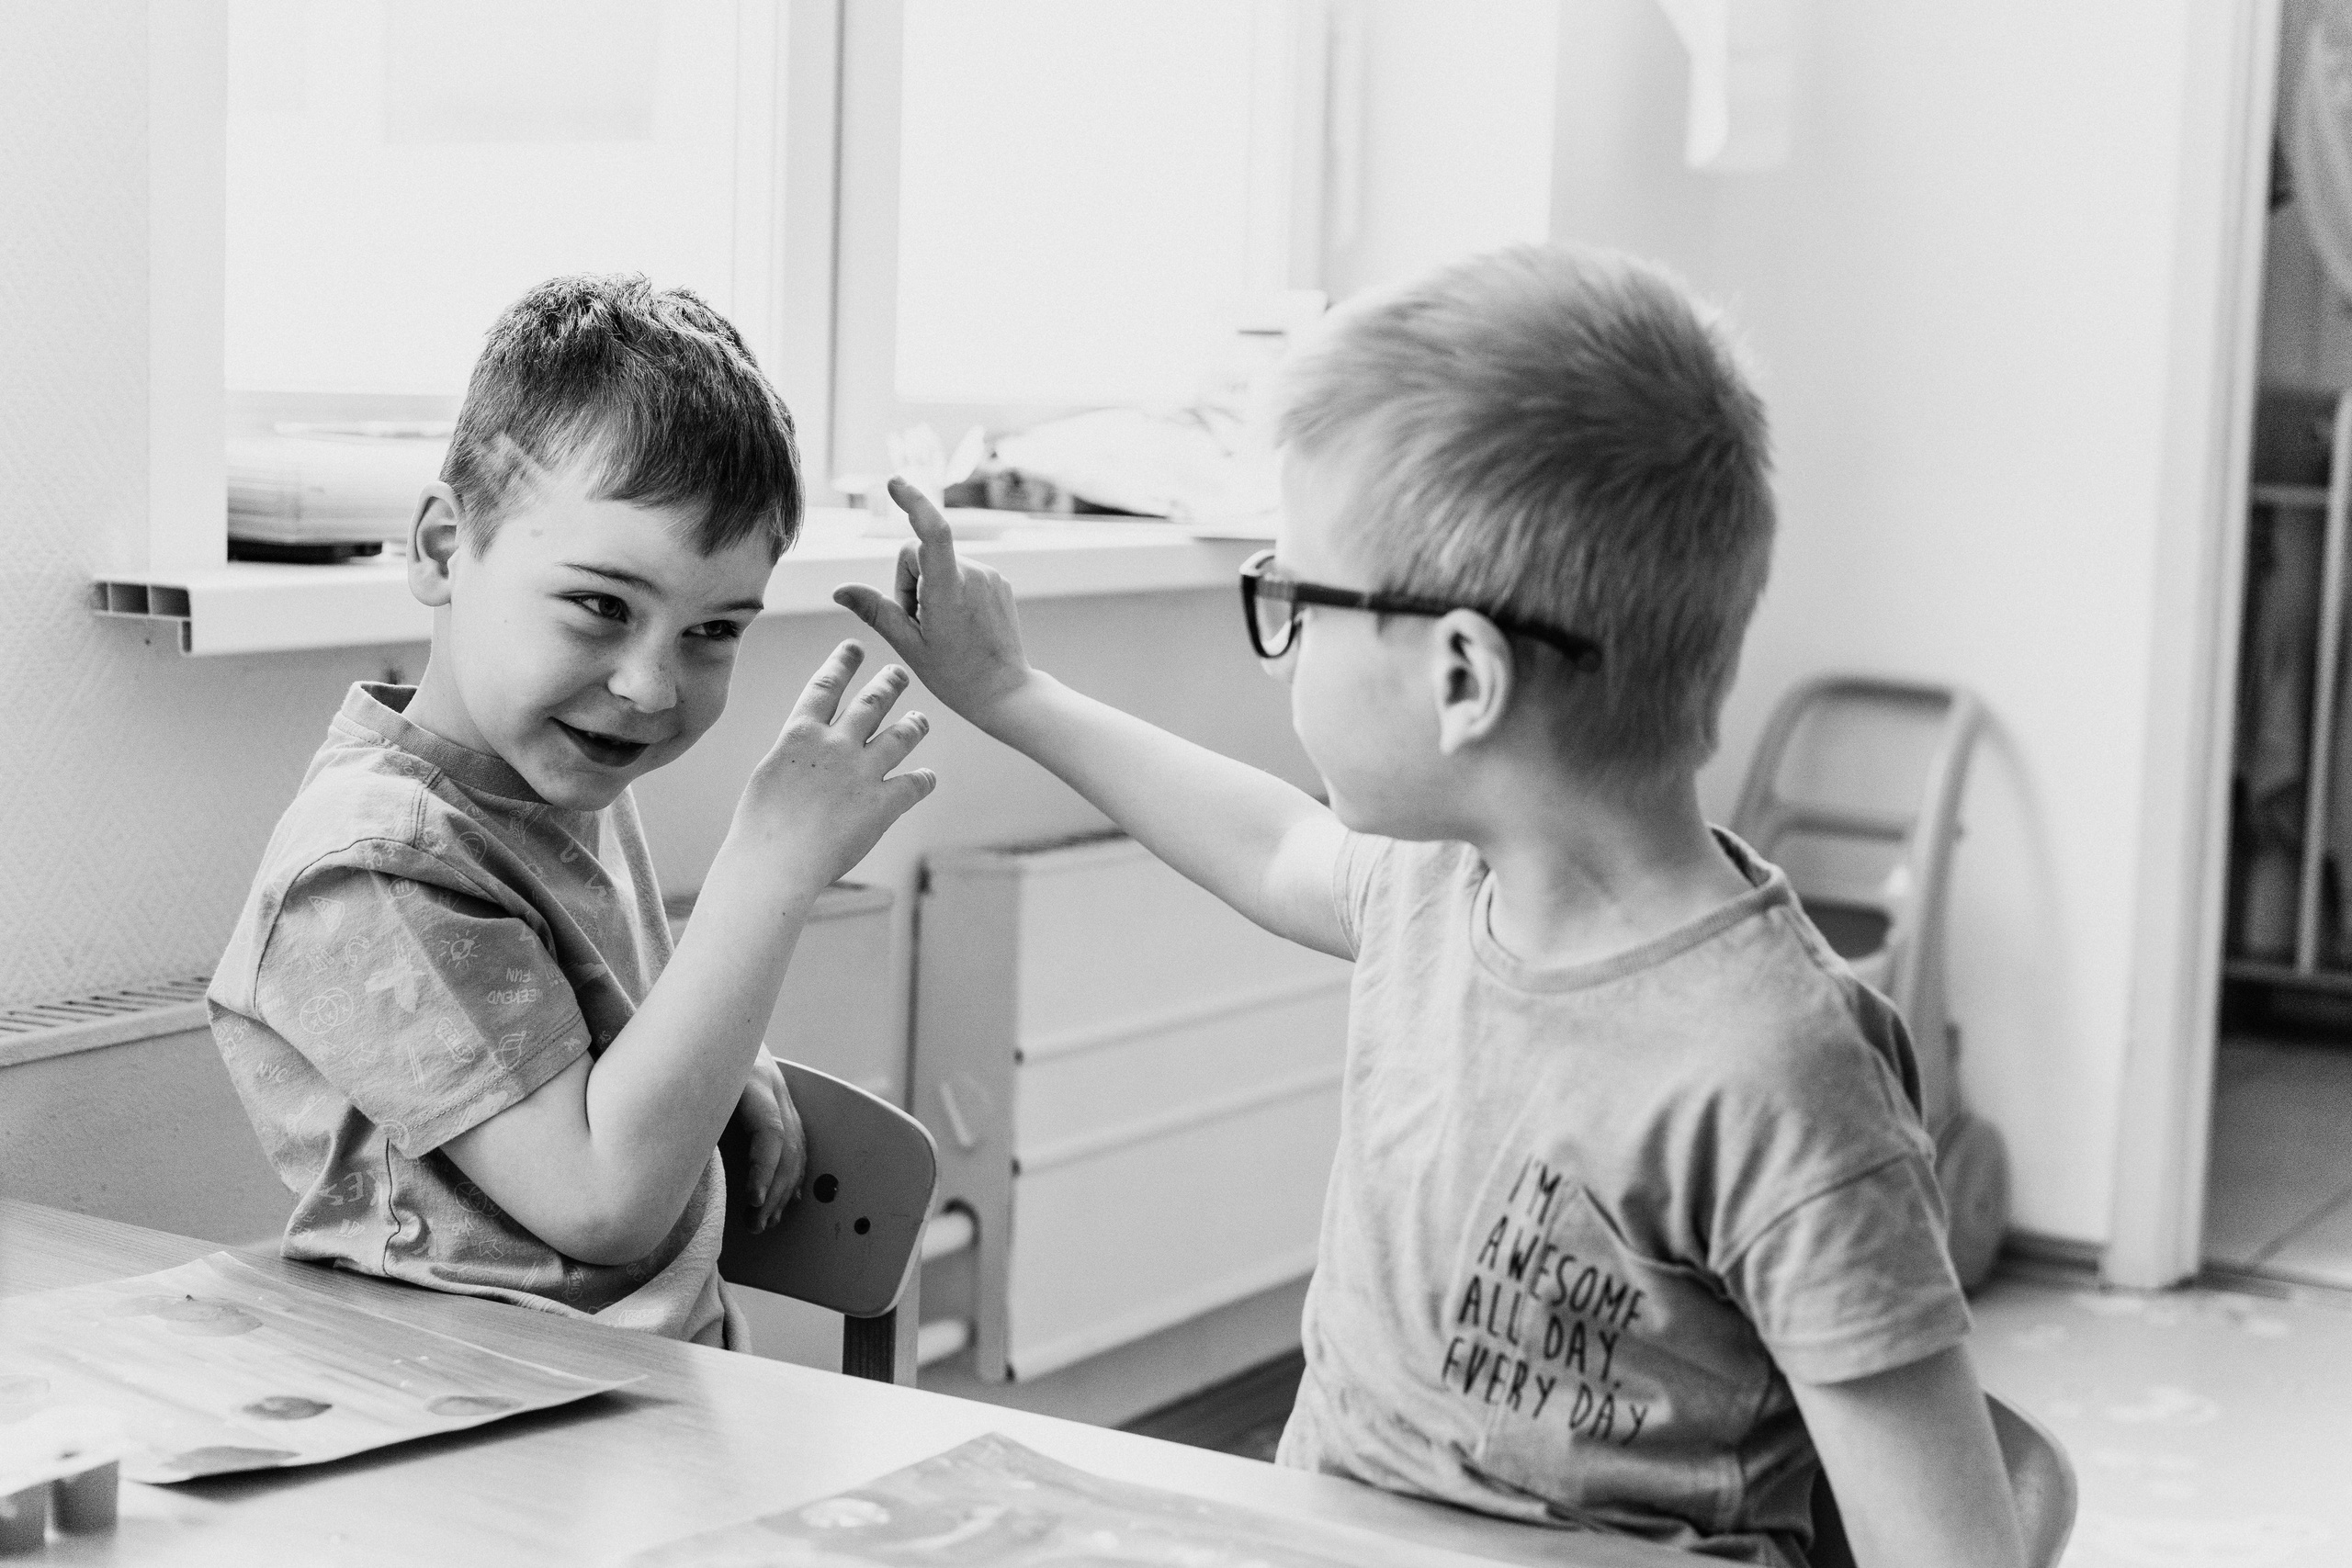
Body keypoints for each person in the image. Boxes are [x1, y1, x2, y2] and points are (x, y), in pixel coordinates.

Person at [835, 244, 2025, 1566]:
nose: (1282, 642)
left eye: (1293, 599)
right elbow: (1275, 844)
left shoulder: (1780, 1071)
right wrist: (1010, 694)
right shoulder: (1446, 882)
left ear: (1464, 673)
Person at [209, 275, 935, 1348]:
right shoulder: (374, 862)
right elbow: (603, 1200)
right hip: (471, 1421)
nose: (650, 687)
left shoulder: (550, 772)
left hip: (631, 1401)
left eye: (715, 629)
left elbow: (589, 1046)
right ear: (445, 550)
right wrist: (768, 869)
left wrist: (720, 1056)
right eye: (602, 605)